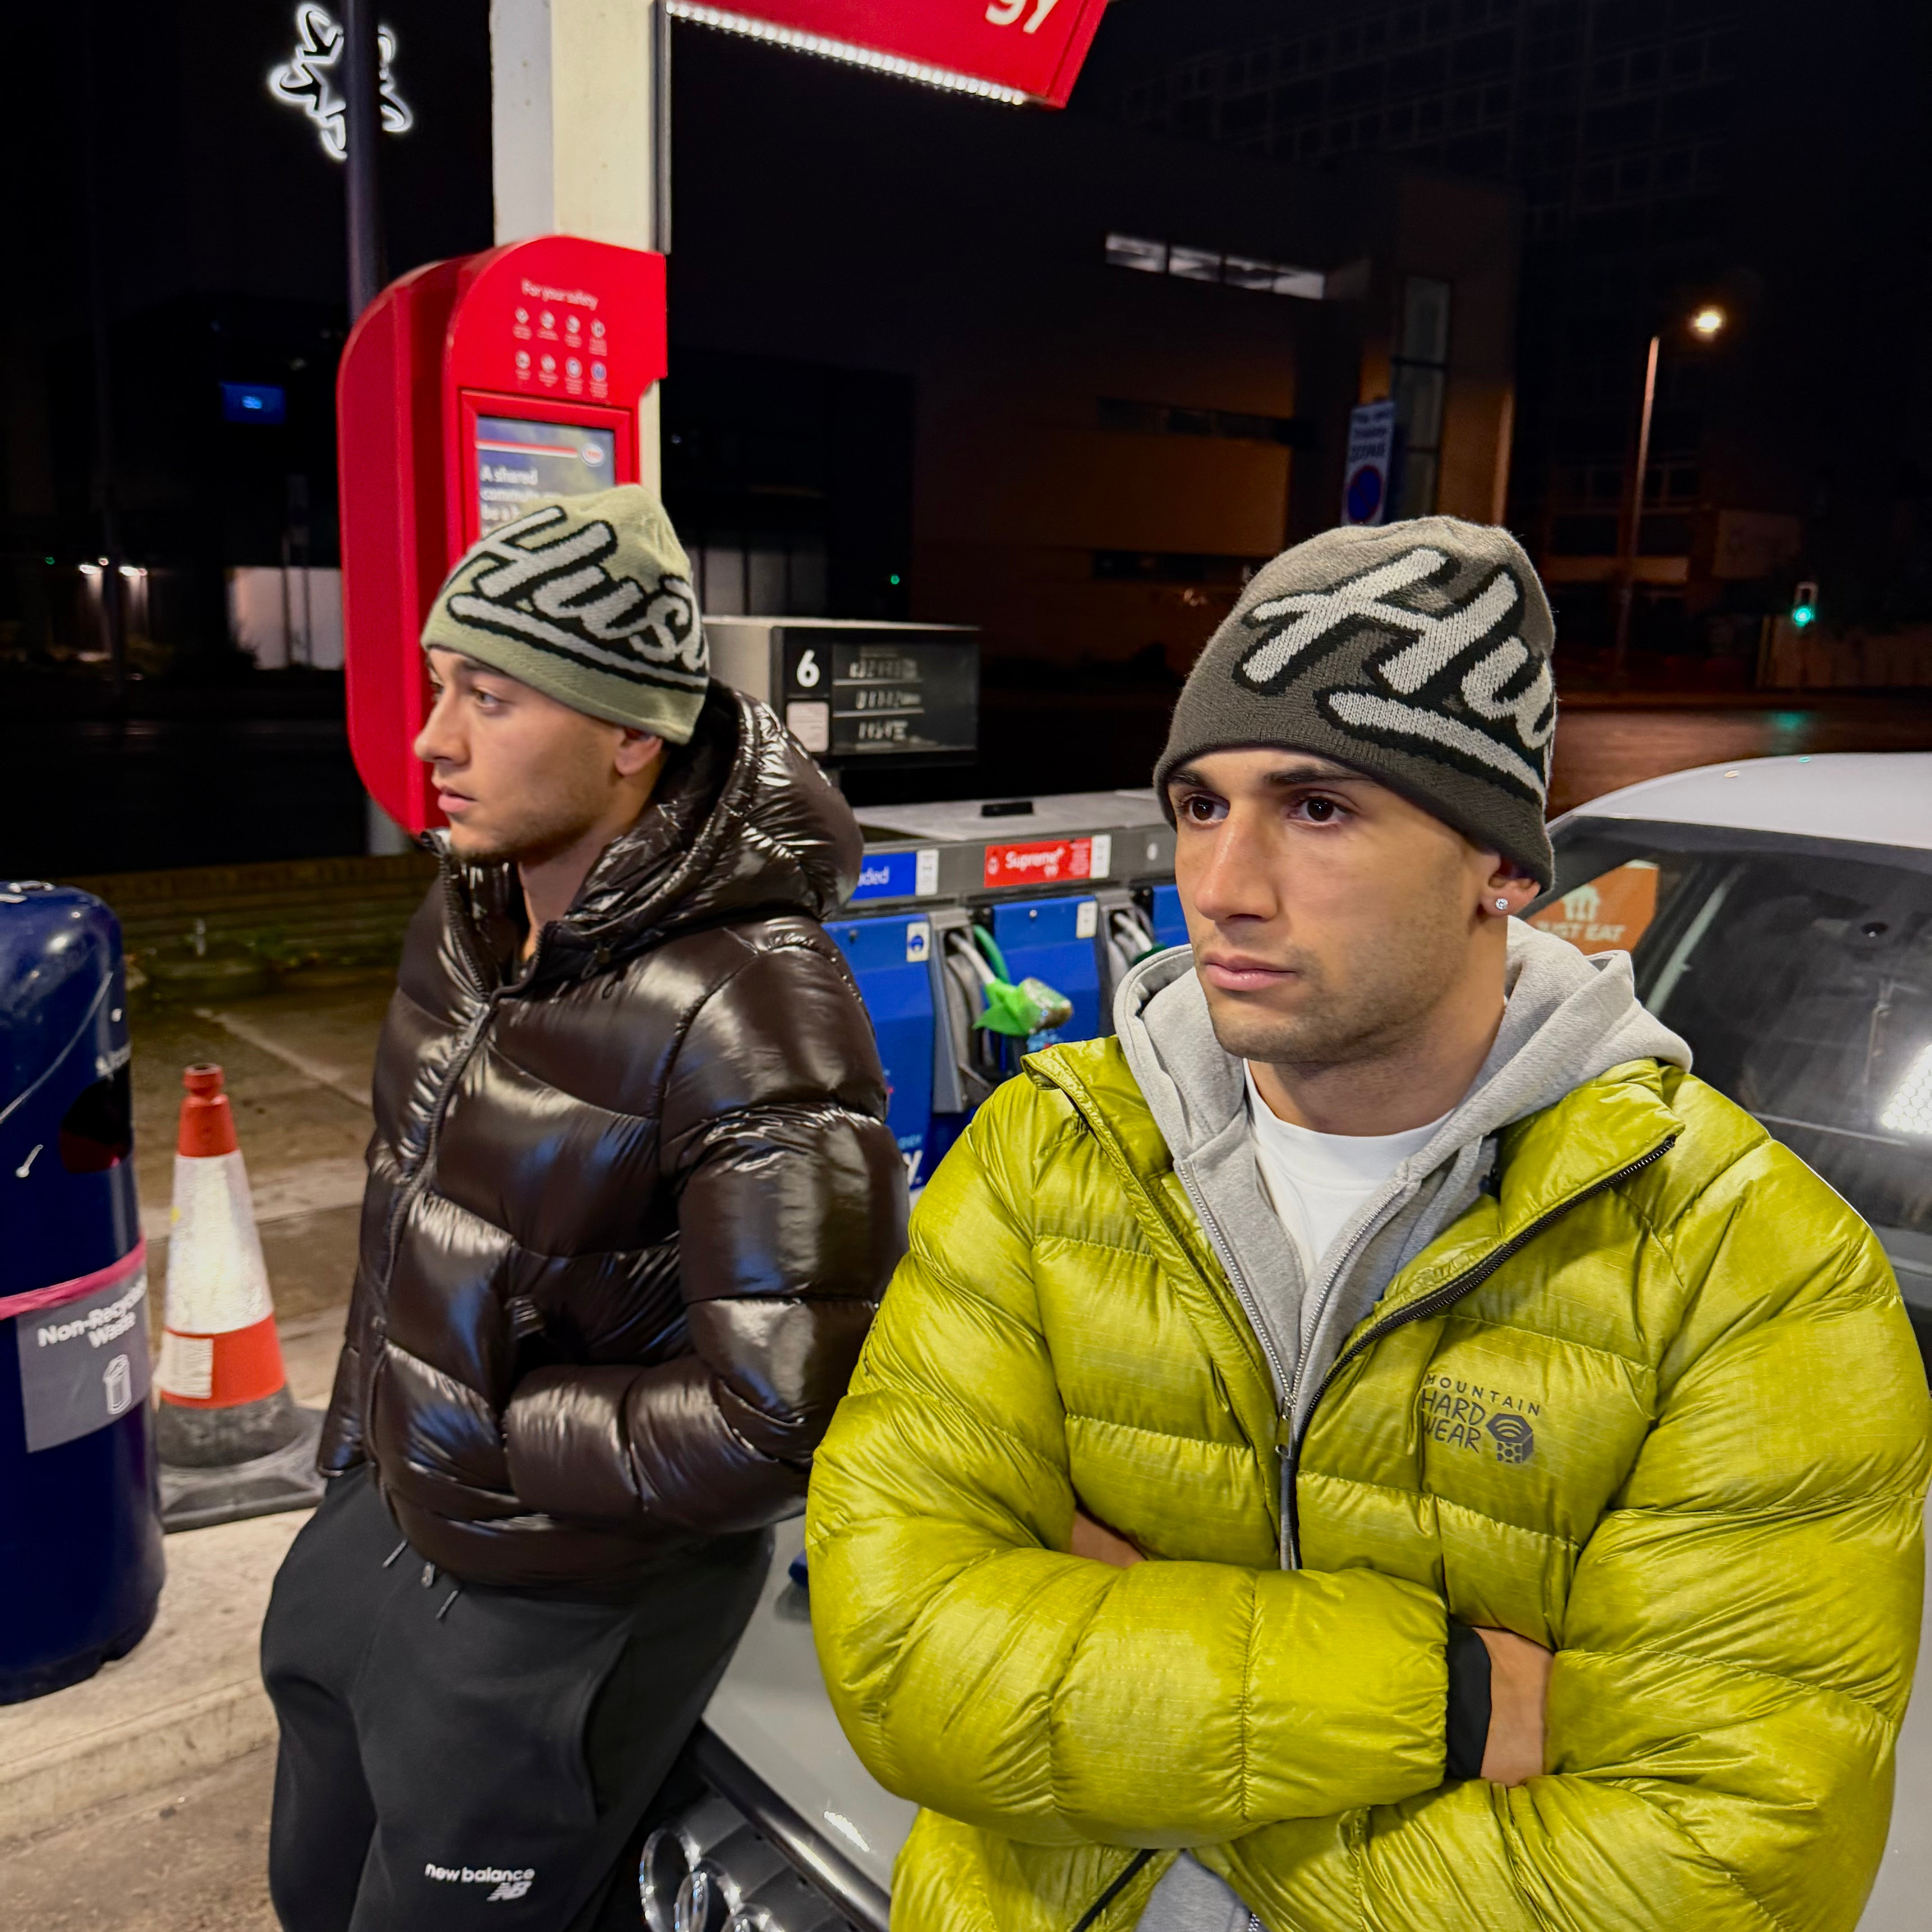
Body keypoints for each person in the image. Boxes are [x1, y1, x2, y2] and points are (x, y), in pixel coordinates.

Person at [807, 517, 1931, 1932]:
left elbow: (1718, 1876)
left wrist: (1137, 1707)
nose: (1222, 885)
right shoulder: (1050, 1154)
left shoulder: (1745, 1270)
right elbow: (905, 1657)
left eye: (1318, 808)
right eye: (1201, 804)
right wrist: (1455, 1698)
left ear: (1500, 866)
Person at [262, 486, 905, 1931]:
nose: (432, 741)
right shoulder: (469, 919)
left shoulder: (754, 1003)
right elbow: (403, 1205)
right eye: (440, 685)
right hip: (381, 1526)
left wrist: (485, 1430)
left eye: (489, 698)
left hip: (556, 1607)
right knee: (311, 1886)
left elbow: (781, 1412)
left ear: (630, 734)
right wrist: (361, 1449)